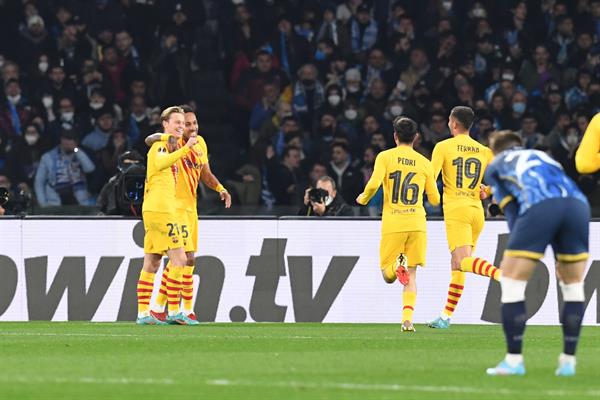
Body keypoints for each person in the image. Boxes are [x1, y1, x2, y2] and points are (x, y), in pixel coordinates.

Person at [484, 131, 590, 377]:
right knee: (573, 285)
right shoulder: (545, 157)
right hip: (577, 205)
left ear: (496, 150)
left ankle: (513, 361)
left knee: (510, 280)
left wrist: (522, 245)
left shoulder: (496, 165)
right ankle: (568, 362)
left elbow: (512, 211)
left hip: (541, 206)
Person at [145, 105, 231, 323]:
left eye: (193, 123)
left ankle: (167, 308)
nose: (191, 128)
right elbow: (150, 140)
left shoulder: (199, 143)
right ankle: (174, 309)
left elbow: (206, 173)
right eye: (185, 124)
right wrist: (167, 133)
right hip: (174, 206)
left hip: (191, 207)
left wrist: (220, 188)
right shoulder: (173, 142)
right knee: (183, 258)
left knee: (188, 260)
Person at [356, 117, 440, 332]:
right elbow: (435, 199)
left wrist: (363, 198)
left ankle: (396, 266)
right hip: (417, 223)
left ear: (395, 136)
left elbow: (374, 183)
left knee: (387, 274)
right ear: (416, 137)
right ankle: (407, 320)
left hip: (394, 223)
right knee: (411, 275)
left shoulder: (385, 157)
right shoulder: (424, 162)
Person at [427, 106, 500, 329]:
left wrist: (431, 196)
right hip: (477, 211)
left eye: (449, 120)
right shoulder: (483, 150)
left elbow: (431, 178)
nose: (448, 123)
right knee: (458, 265)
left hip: (456, 209)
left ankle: (503, 276)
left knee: (461, 261)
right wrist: (486, 191)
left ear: (455, 123)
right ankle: (445, 316)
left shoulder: (443, 147)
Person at [136, 106, 197, 326]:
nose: (181, 126)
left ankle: (143, 313)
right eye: (176, 122)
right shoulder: (160, 147)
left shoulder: (164, 143)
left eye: (183, 122)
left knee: (152, 262)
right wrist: (184, 149)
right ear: (166, 124)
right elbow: (161, 163)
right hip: (161, 209)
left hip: (154, 208)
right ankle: (173, 311)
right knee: (180, 259)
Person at [34, 129, 95, 207]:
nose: (67, 142)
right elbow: (39, 181)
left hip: (80, 201)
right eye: (65, 139)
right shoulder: (48, 157)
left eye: (70, 139)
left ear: (76, 142)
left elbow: (90, 168)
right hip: (55, 202)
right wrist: (42, 203)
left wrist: (76, 150)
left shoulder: (79, 153)